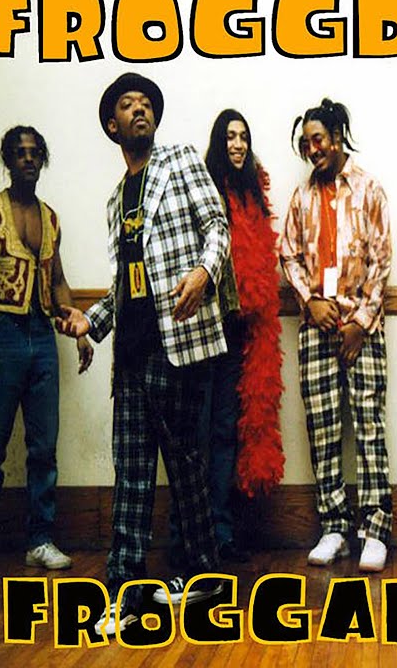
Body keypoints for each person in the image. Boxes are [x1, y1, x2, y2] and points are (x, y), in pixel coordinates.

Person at [55, 73, 230, 636]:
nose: (140, 110)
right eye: (128, 105)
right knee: (130, 475)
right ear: (112, 125)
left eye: (147, 103)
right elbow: (125, 287)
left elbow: (217, 226)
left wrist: (204, 272)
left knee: (186, 469)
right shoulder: (116, 201)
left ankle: (206, 575)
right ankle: (124, 589)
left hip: (178, 346)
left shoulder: (180, 161)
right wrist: (90, 320)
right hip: (129, 358)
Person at [0, 125, 93, 581]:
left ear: (43, 159)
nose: (28, 159)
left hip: (42, 335)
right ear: (8, 159)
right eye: (19, 152)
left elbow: (57, 280)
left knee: (43, 445)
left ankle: (40, 539)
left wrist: (79, 331)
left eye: (35, 152)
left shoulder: (50, 218)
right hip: (1, 333)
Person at [279, 98, 393, 572]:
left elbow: (382, 260)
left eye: (319, 140)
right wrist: (310, 300)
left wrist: (359, 324)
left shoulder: (369, 189)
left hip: (361, 331)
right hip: (316, 328)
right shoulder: (301, 196)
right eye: (306, 143)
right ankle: (334, 528)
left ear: (338, 136)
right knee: (322, 430)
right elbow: (287, 253)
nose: (313, 150)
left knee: (368, 427)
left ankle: (375, 531)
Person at [168, 109, 285, 566]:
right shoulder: (203, 187)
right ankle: (188, 535)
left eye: (243, 137)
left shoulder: (254, 194)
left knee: (224, 433)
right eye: (230, 137)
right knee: (195, 435)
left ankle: (220, 531)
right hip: (204, 329)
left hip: (239, 332)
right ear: (219, 142)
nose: (237, 144)